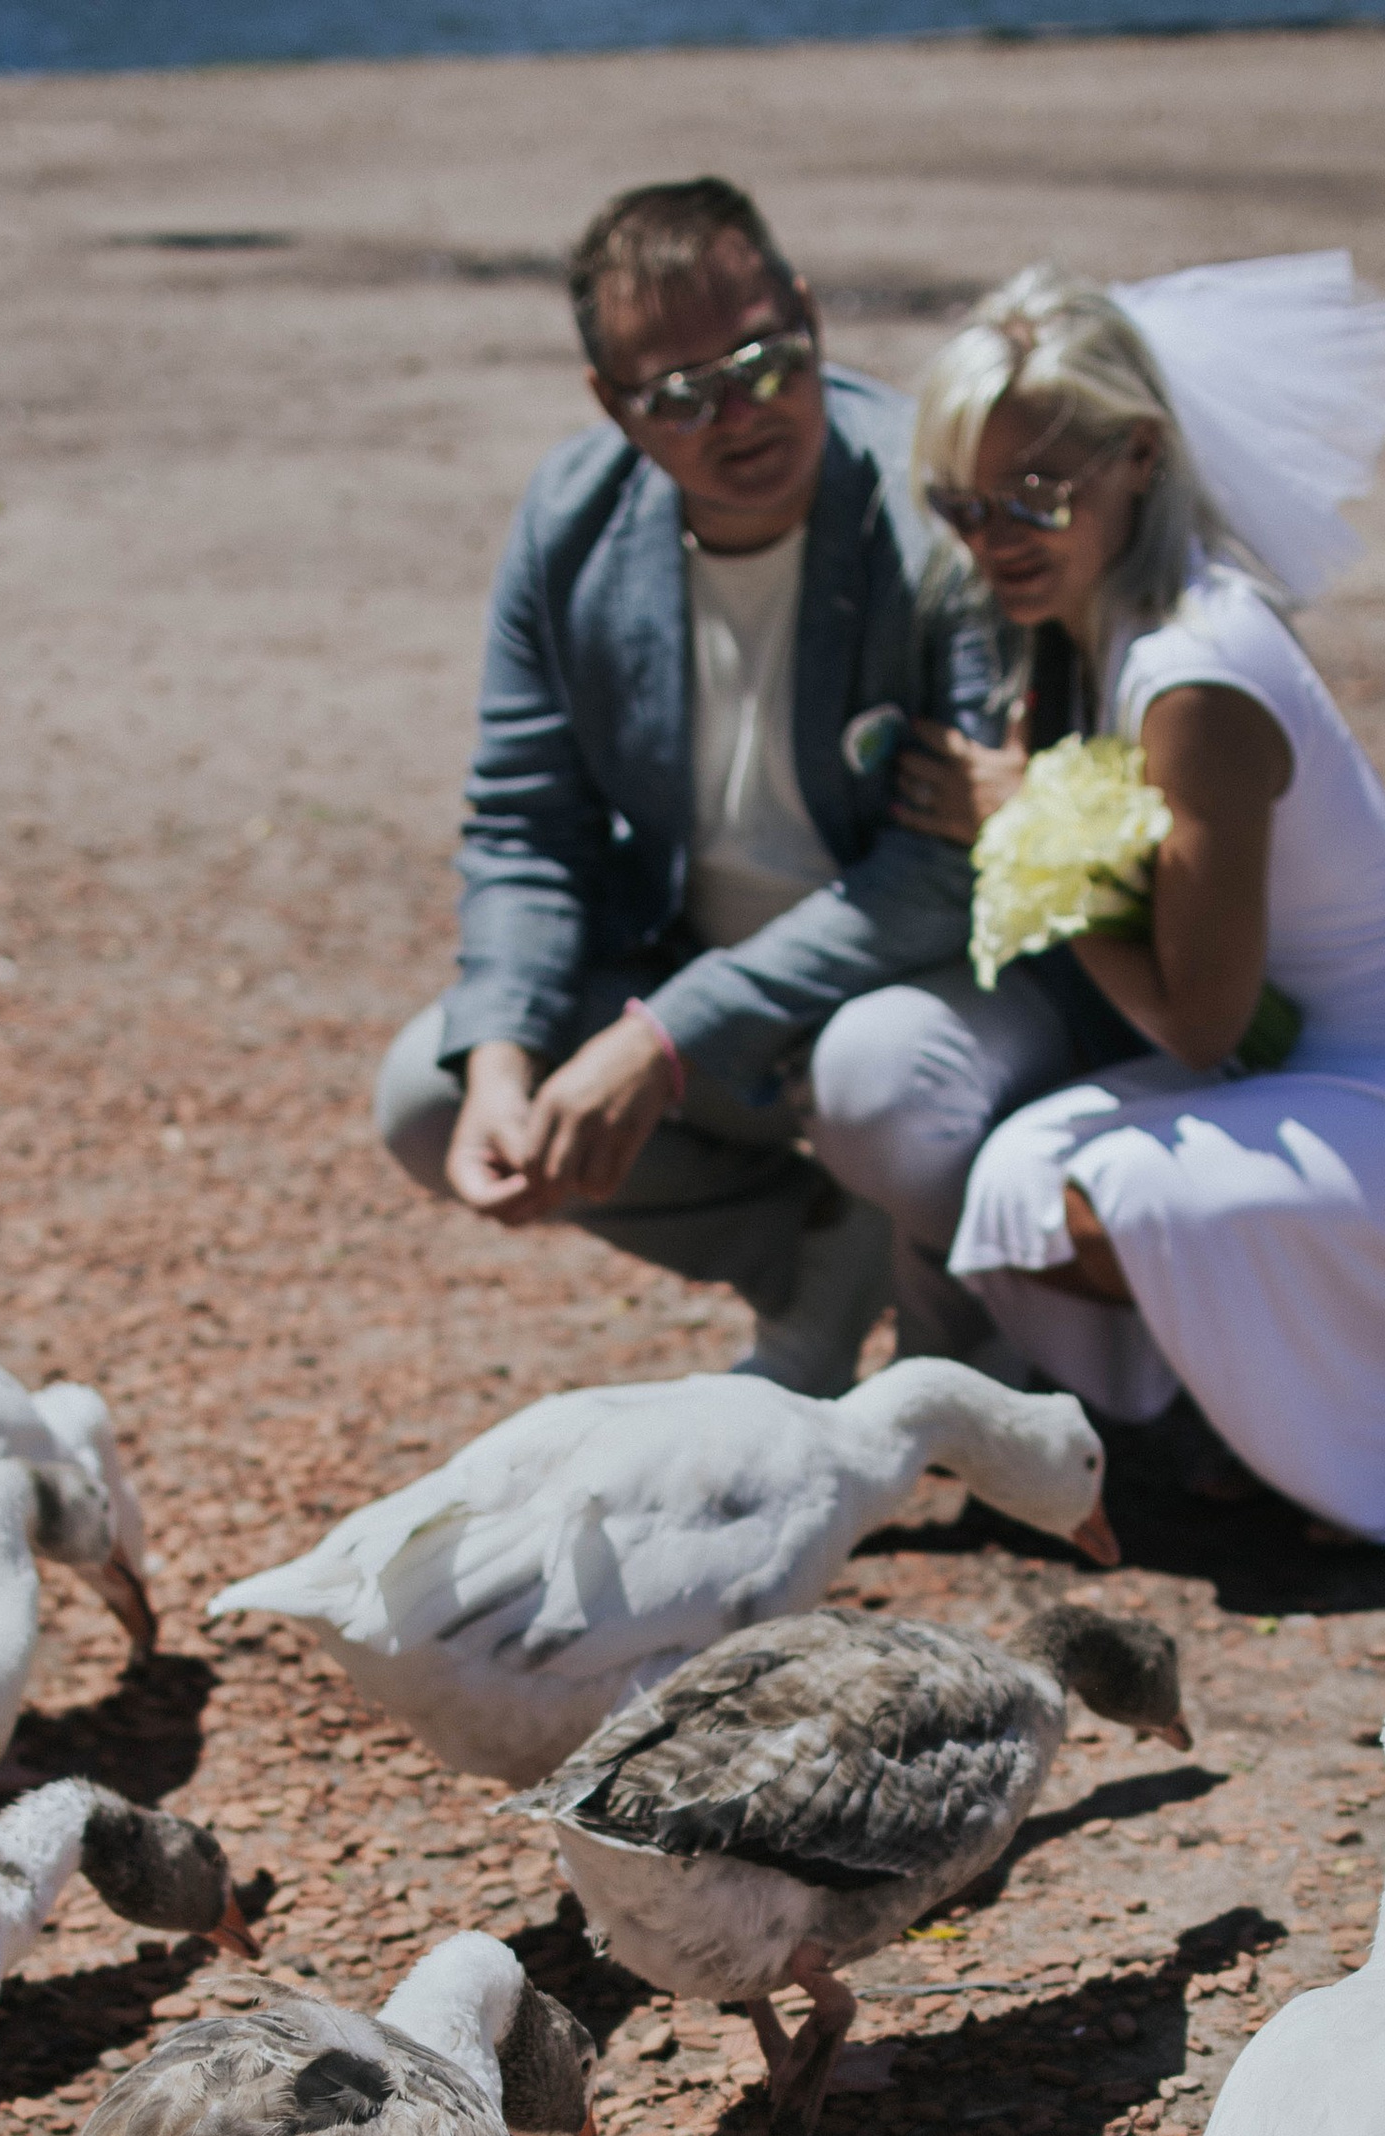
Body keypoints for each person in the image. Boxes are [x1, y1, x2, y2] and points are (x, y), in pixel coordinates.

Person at [806, 257, 1385, 1549]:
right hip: (1337, 1064)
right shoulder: (1109, 615)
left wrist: (1031, 837)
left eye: (1032, 498)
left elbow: (1196, 1022)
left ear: (1140, 457)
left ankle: (1343, 1443)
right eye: (960, 504)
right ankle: (1282, 1413)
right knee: (1009, 1182)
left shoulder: (1193, 671)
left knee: (1089, 1206)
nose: (992, 540)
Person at [374, 176, 1001, 1399]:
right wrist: (504, 1057)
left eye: (768, 359)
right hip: (707, 1000)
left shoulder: (930, 516)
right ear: (613, 408)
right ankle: (822, 1257)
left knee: (874, 1075)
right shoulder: (570, 527)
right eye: (681, 395)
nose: (743, 414)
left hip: (914, 998)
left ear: (812, 315)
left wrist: (666, 1041)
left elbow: (945, 873)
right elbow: (526, 821)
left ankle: (976, 1349)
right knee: (424, 1090)